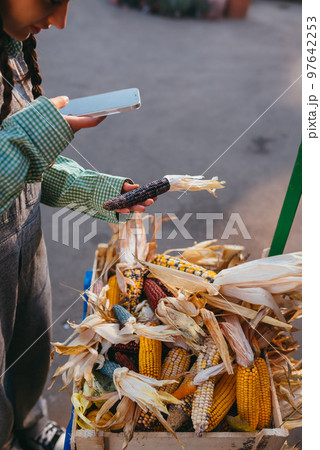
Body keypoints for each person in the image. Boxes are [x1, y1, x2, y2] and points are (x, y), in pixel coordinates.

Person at [0, 1, 156, 448]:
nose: (58, 21)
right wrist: (30, 137)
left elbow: (28, 169)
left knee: (31, 345)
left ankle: (27, 424)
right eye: (50, 1)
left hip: (26, 239)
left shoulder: (13, 48)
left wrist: (99, 191)